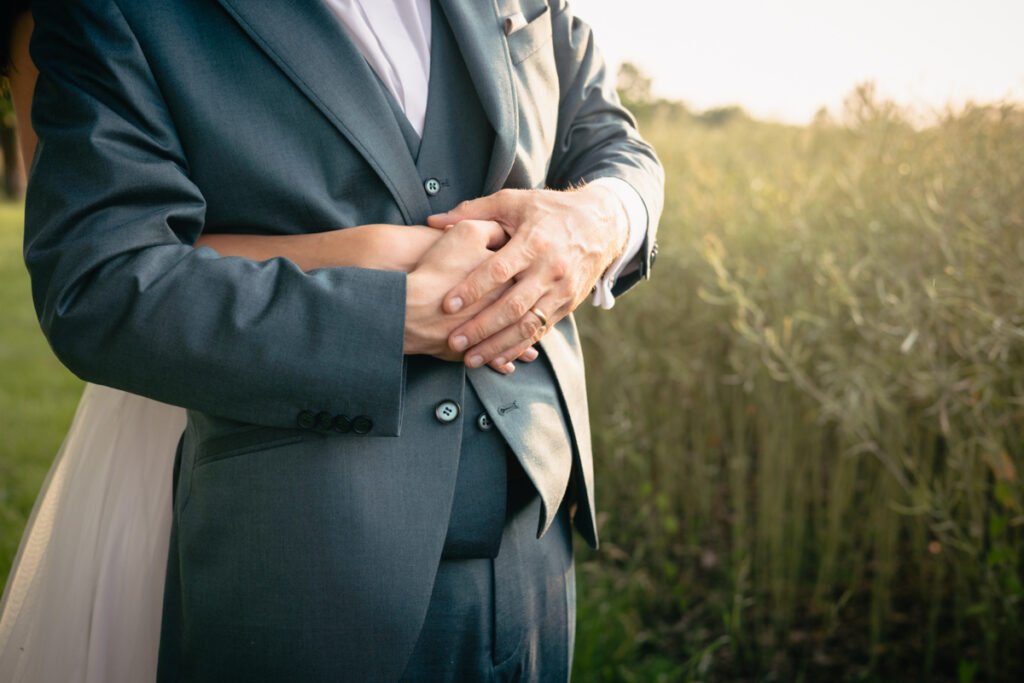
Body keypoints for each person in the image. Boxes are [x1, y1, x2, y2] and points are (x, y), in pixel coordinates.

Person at [22, 0, 662, 679]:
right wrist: (394, 316)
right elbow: (99, 284)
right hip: (301, 575)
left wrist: (606, 217)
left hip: (534, 554)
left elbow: (613, 142)